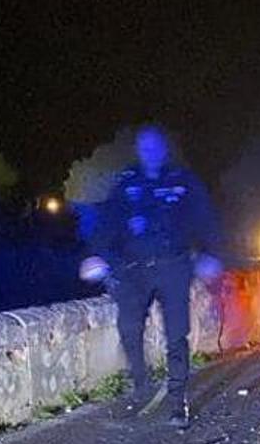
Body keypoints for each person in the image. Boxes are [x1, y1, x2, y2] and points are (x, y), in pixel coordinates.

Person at [79, 125, 222, 428]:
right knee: (129, 328)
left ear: (164, 149)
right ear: (139, 151)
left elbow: (206, 218)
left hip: (174, 266)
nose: (151, 153)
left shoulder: (181, 181)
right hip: (135, 270)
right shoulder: (127, 182)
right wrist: (97, 255)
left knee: (176, 335)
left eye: (155, 147)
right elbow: (107, 223)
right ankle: (140, 385)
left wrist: (211, 254)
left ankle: (177, 400)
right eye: (145, 148)